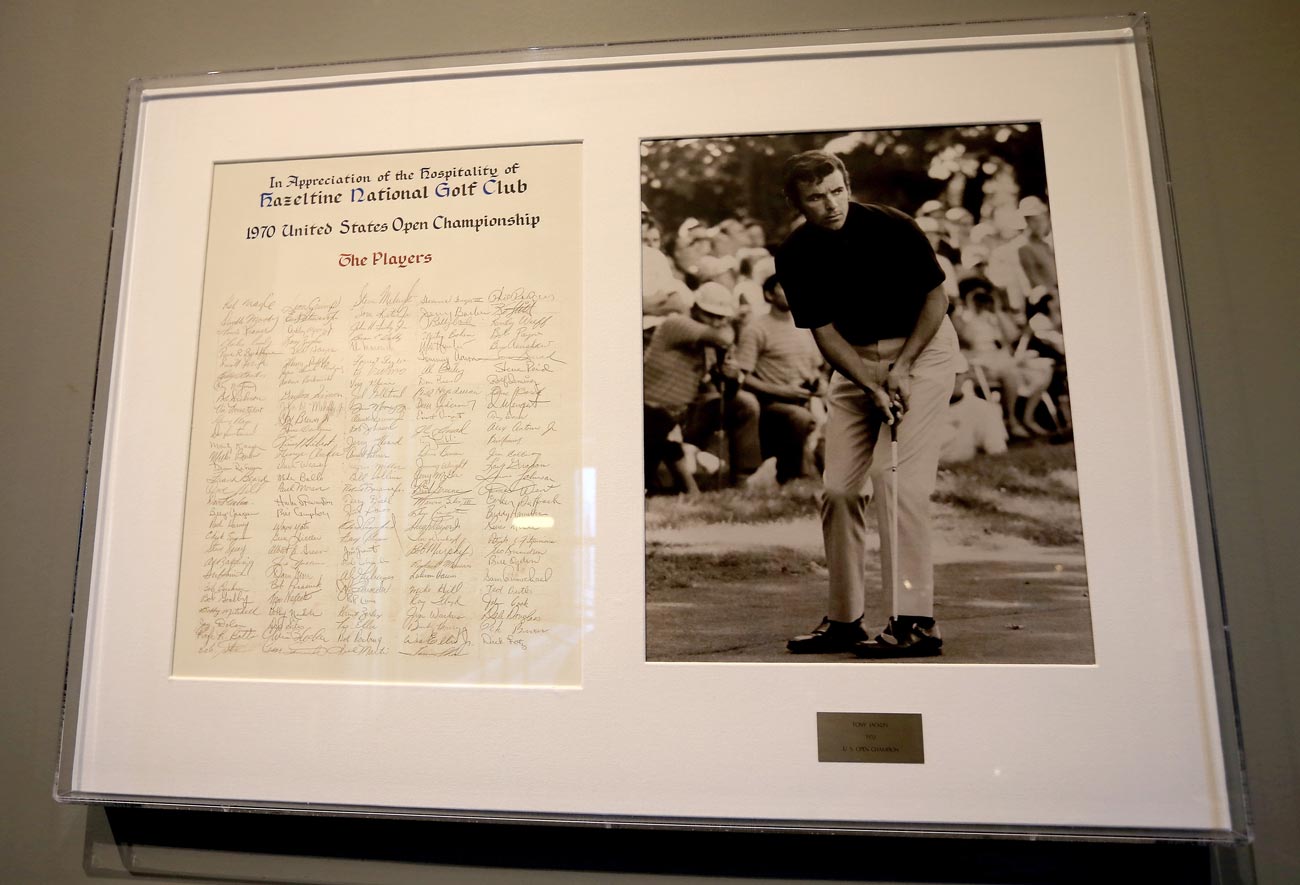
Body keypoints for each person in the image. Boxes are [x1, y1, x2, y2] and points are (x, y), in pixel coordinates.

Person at [776, 150, 960, 658]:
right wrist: (872, 383)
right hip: (855, 363)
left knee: (895, 477)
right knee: (837, 489)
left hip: (922, 351)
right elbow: (825, 333)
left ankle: (915, 621)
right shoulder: (794, 253)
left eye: (836, 191)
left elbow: (936, 300)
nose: (830, 204)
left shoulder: (894, 227)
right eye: (815, 197)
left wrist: (900, 371)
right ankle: (844, 621)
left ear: (847, 186)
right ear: (797, 201)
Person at [643, 282, 760, 493]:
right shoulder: (677, 323)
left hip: (687, 413)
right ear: (696, 308)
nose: (716, 321)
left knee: (744, 403)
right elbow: (723, 337)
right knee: (659, 423)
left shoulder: (710, 342)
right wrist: (731, 324)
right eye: (710, 315)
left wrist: (732, 376)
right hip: (653, 412)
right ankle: (685, 480)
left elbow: (726, 392)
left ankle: (742, 480)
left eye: (720, 317)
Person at [731, 271, 825, 484]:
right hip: (771, 405)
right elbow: (742, 377)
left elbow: (815, 369)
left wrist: (821, 386)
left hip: (806, 399)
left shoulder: (805, 326)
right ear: (769, 295)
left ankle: (825, 478)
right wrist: (782, 391)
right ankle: (789, 475)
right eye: (784, 288)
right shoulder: (756, 328)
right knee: (800, 417)